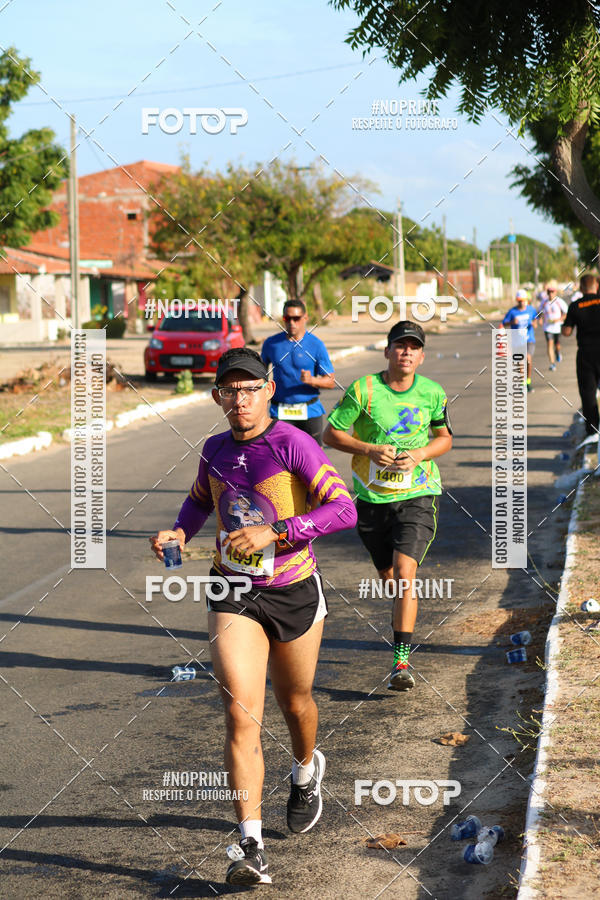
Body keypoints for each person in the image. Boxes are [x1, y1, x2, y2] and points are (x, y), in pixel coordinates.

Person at [150, 347, 357, 886]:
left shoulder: (294, 443)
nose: (239, 399)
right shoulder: (215, 448)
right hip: (233, 588)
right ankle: (250, 846)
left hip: (293, 589)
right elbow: (201, 500)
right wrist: (180, 532)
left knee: (296, 702)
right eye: (229, 390)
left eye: (248, 389)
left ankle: (306, 769)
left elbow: (343, 509)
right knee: (241, 714)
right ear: (217, 396)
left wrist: (278, 531)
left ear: (268, 390)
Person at [323, 321, 452, 692]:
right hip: (372, 500)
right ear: (387, 351)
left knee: (405, 574)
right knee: (390, 578)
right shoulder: (363, 390)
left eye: (414, 347)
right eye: (400, 345)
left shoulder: (432, 392)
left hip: (418, 494)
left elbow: (444, 438)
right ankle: (401, 616)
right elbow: (330, 434)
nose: (406, 352)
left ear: (421, 356)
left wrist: (420, 454)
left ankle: (401, 662)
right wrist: (369, 449)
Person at [261, 299, 335, 445]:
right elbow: (260, 375)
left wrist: (312, 380)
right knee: (280, 455)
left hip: (309, 410)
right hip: (280, 410)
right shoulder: (271, 344)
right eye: (287, 318)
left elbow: (330, 381)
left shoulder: (316, 345)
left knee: (313, 456)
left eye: (296, 318)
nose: (292, 323)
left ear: (305, 318)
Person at [562, 273, 600, 441]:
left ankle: (593, 432)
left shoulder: (575, 306)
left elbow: (567, 332)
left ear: (582, 288)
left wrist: (565, 324)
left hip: (586, 354)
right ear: (596, 286)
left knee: (588, 393)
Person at [502, 289, 538, 391]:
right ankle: (523, 383)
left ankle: (528, 381)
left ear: (526, 300)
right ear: (517, 301)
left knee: (528, 358)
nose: (521, 302)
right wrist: (512, 322)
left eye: (523, 300)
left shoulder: (531, 310)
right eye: (519, 301)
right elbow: (504, 323)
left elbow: (536, 319)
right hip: (517, 340)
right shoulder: (512, 312)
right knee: (520, 362)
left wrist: (534, 323)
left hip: (529, 339)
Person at [538, 280, 568, 371]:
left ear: (555, 292)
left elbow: (566, 313)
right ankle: (552, 363)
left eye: (552, 292)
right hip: (547, 327)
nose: (551, 294)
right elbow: (539, 312)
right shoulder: (544, 302)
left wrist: (558, 319)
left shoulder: (559, 301)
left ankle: (558, 352)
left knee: (557, 345)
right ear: (547, 293)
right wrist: (540, 319)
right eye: (549, 292)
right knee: (549, 344)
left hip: (557, 327)